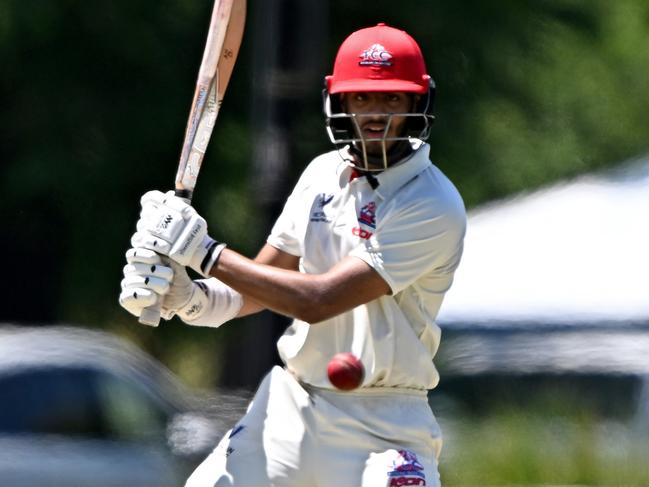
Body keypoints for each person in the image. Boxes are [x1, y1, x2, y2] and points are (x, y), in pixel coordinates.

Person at [120, 23, 466, 487]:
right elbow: (261, 286)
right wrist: (190, 297)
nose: (376, 114)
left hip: (385, 421)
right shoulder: (323, 174)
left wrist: (203, 252)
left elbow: (316, 300)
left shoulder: (432, 203)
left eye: (392, 99)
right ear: (339, 101)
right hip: (293, 406)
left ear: (417, 103)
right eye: (362, 98)